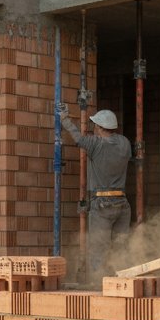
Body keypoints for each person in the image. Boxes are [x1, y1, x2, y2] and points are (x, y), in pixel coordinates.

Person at [55, 103, 132, 282]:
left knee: (99, 250)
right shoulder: (125, 143)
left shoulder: (96, 144)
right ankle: (124, 284)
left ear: (99, 127)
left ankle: (98, 285)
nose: (94, 129)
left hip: (102, 204)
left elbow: (77, 138)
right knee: (122, 248)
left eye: (95, 126)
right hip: (122, 203)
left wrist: (64, 118)